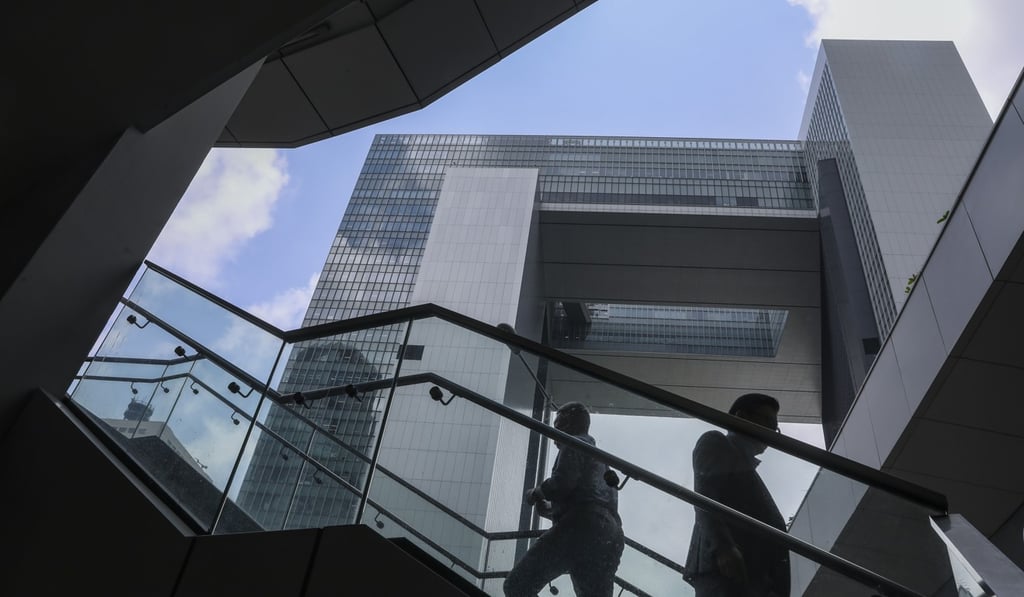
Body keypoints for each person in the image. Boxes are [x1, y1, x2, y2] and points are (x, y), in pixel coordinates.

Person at [504, 402, 625, 597]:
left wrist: (536, 492)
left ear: (570, 425)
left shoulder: (575, 443)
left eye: (558, 426)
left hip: (581, 527)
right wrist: (552, 509)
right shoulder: (602, 462)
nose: (554, 436)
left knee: (517, 585)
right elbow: (590, 499)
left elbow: (562, 483)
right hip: (611, 534)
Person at [684, 393, 790, 597]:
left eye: (775, 427)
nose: (772, 433)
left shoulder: (748, 470)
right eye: (767, 421)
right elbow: (704, 498)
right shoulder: (716, 441)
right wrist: (724, 548)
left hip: (750, 577)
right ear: (741, 417)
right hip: (727, 570)